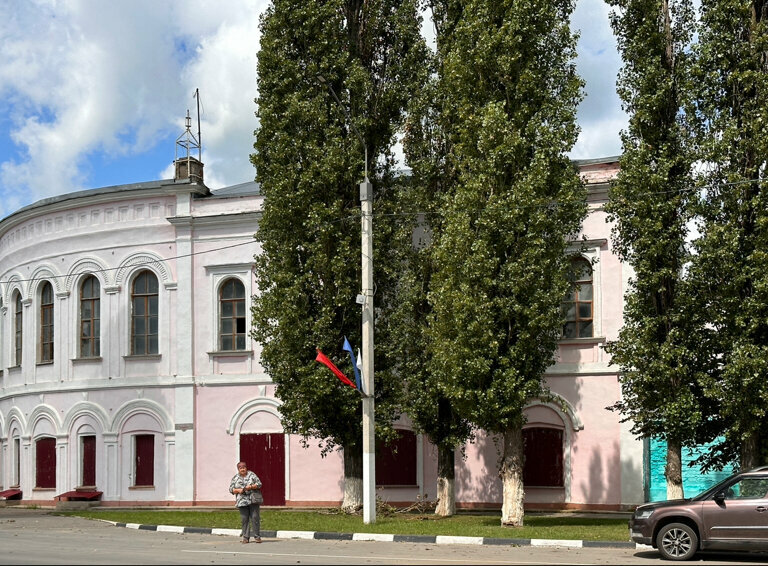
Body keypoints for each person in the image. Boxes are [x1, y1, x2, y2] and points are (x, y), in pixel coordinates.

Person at [229, 461, 263, 543]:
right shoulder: (235, 478)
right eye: (240, 468)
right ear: (238, 469)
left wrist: (250, 487)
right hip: (242, 501)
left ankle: (257, 536)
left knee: (255, 517)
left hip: (253, 500)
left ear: (246, 468)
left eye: (244, 467)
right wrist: (238, 490)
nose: (243, 469)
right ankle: (245, 537)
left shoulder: (252, 475)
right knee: (244, 519)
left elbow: (259, 484)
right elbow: (231, 489)